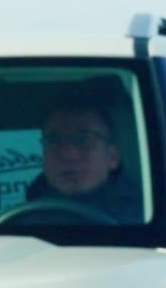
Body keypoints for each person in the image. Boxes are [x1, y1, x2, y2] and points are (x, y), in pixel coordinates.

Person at [27, 82, 133, 210]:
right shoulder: (23, 216)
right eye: (54, 141)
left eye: (84, 140)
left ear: (112, 157)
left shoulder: (143, 213)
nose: (68, 154)